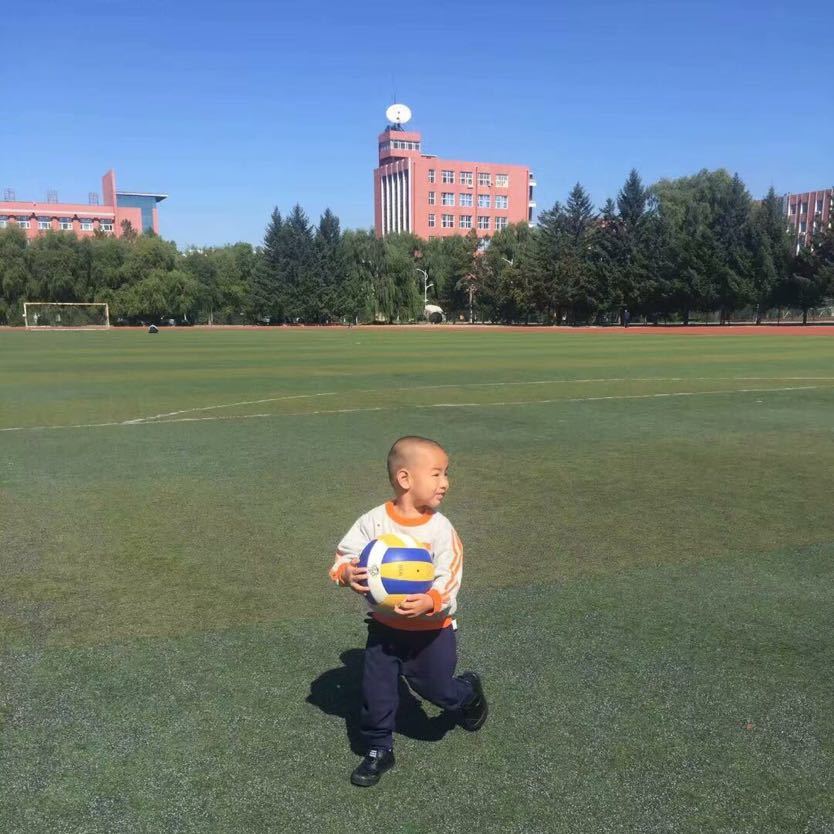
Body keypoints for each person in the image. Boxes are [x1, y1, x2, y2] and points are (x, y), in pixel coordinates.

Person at [329, 436, 488, 787]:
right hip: (384, 630)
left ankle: (466, 693)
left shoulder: (440, 529)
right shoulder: (373, 522)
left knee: (436, 690)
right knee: (377, 692)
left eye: (446, 473)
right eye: (437, 474)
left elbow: (451, 573)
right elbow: (345, 555)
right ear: (405, 479)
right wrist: (346, 573)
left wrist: (432, 599)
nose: (445, 482)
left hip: (432, 632)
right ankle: (378, 748)